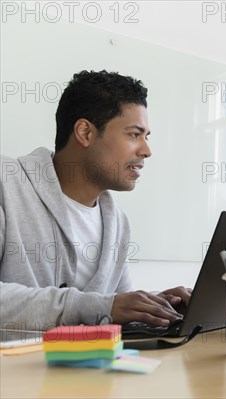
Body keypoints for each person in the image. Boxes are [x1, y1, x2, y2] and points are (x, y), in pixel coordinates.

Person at [0, 70, 191, 331]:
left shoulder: (117, 224)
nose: (146, 150)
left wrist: (156, 307)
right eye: (134, 134)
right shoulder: (7, 184)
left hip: (85, 370)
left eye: (146, 137)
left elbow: (107, 310)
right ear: (85, 133)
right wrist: (101, 307)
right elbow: (96, 307)